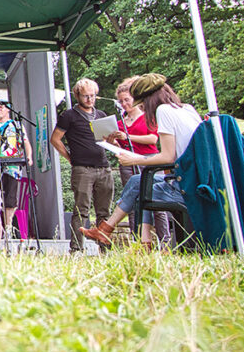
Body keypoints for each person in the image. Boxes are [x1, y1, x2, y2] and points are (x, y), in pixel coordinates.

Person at [81, 74, 203, 249]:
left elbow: (168, 157)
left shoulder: (164, 111)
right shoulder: (187, 109)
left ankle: (136, 242)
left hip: (185, 184)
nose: (143, 107)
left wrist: (135, 159)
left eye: (142, 103)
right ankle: (115, 232)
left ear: (149, 99)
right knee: (138, 181)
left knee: (142, 187)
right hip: (197, 178)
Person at [49, 78, 114, 253]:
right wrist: (69, 157)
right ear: (77, 95)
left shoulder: (100, 115)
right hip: (82, 168)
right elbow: (55, 139)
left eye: (92, 96)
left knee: (104, 211)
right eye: (85, 96)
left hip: (103, 165)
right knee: (80, 210)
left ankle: (105, 248)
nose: (89, 99)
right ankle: (76, 248)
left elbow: (108, 141)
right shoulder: (69, 116)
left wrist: (115, 139)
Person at [107, 77, 170, 244]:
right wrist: (110, 140)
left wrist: (128, 136)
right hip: (129, 162)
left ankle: (164, 240)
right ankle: (138, 239)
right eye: (120, 101)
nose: (124, 104)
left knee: (156, 199)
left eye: (127, 100)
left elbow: (152, 139)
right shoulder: (120, 123)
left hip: (150, 159)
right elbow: (119, 145)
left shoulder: (147, 117)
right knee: (133, 200)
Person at [0, 99, 34, 237]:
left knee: (10, 196)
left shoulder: (16, 125)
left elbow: (25, 142)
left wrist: (29, 156)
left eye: (1, 107)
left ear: (8, 109)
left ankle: (8, 227)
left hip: (12, 166)